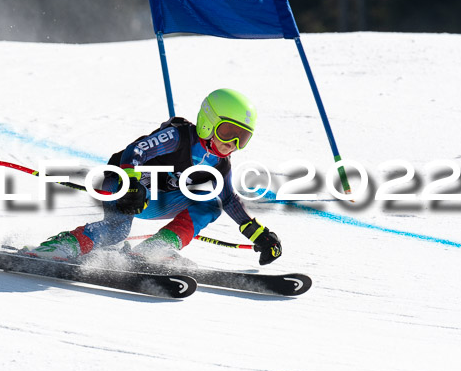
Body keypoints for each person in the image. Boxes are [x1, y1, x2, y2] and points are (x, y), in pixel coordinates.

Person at [27, 88, 282, 265]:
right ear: (209, 121)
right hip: (122, 185)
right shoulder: (179, 137)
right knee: (117, 230)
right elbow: (135, 151)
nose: (233, 143)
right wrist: (131, 184)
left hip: (156, 199)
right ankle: (62, 247)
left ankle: (155, 249)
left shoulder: (220, 164)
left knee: (212, 203)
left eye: (243, 137)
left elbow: (229, 201)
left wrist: (258, 233)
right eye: (228, 132)